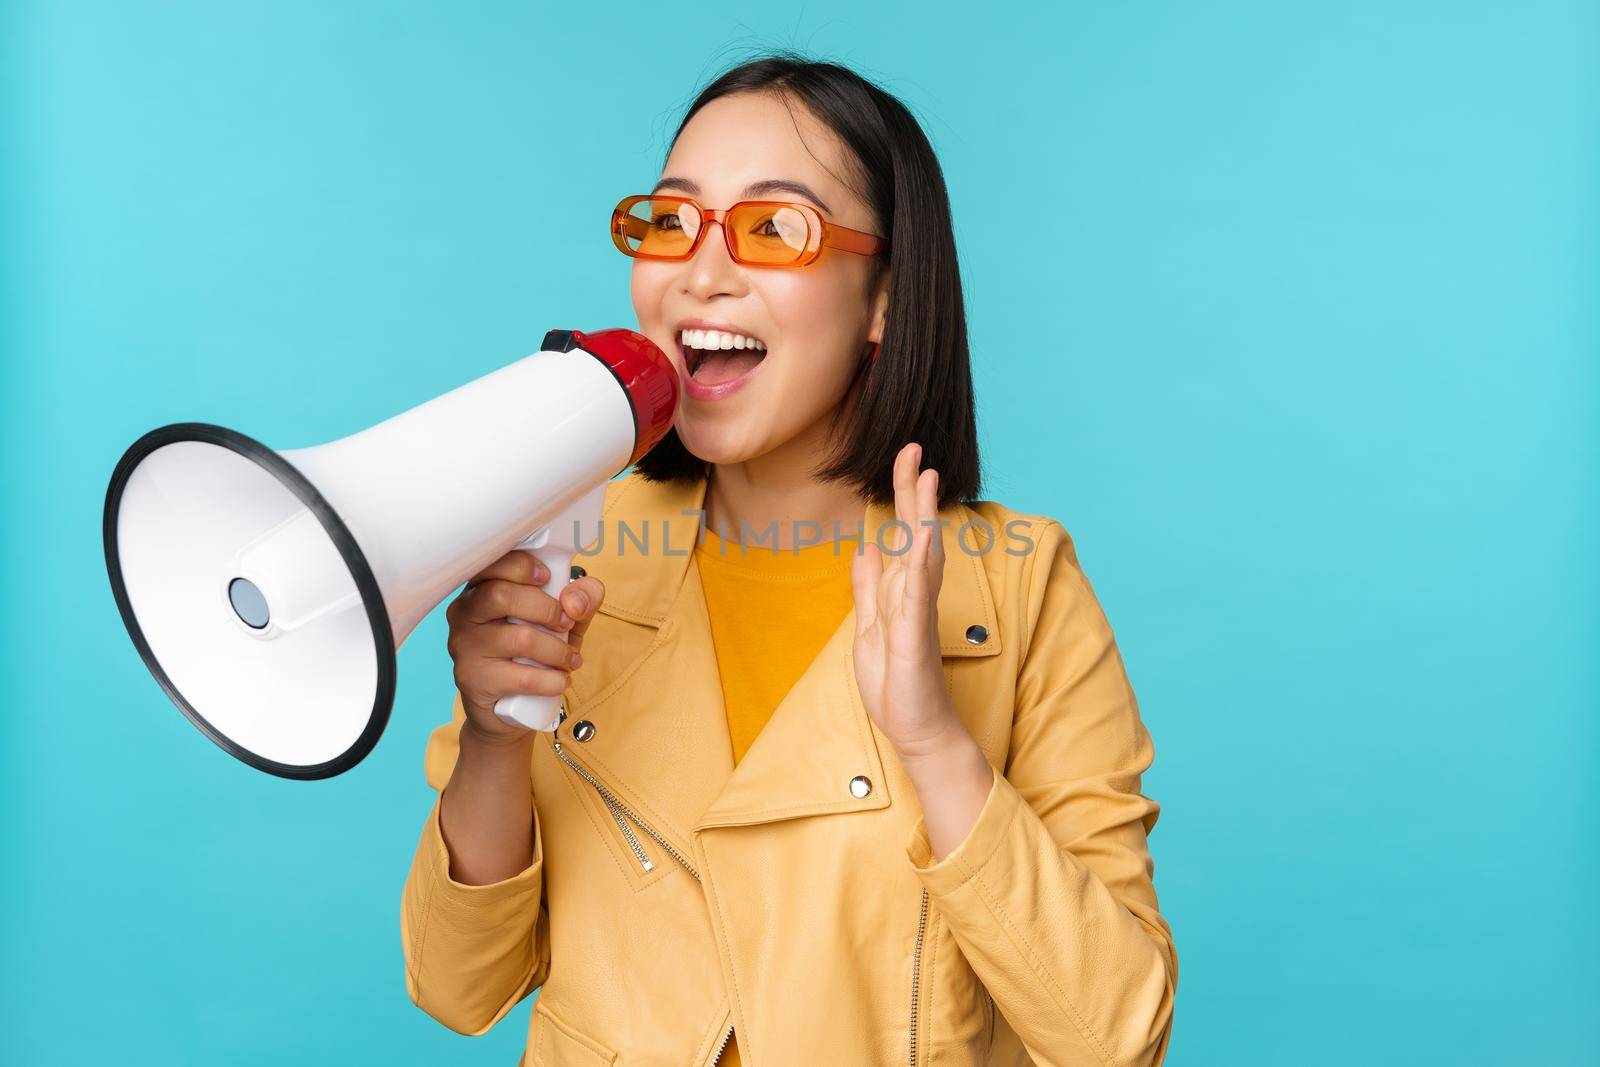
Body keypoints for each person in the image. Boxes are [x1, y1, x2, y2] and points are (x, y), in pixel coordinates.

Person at [400, 52, 1177, 1067]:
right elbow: (458, 987)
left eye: (774, 228)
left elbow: (1110, 1034)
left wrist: (934, 740)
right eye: (670, 221)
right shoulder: (576, 555)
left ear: (885, 301)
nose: (702, 272)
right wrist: (496, 744)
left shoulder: (1021, 584)